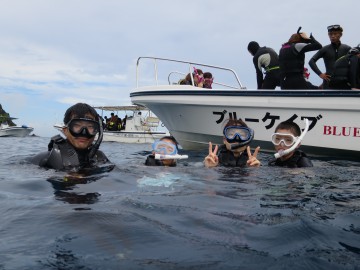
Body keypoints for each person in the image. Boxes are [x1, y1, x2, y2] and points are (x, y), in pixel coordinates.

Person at [31, 103, 112, 171]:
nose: (83, 133)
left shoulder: (100, 158)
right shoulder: (47, 158)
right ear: (65, 130)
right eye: (77, 126)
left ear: (97, 131)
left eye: (90, 127)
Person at [309, 25, 351, 89]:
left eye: (335, 34)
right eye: (330, 34)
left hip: (344, 82)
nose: (332, 36)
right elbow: (311, 61)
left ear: (340, 35)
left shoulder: (347, 48)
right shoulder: (325, 49)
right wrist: (320, 74)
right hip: (328, 82)